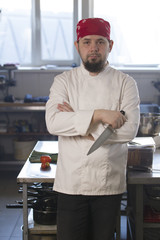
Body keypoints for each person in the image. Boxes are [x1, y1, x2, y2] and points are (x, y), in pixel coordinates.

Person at [45, 17, 140, 240]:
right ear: (77, 45)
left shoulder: (125, 83)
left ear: (110, 46)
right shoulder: (63, 81)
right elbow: (54, 123)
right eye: (86, 42)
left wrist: (81, 125)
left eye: (100, 42)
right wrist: (100, 115)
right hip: (71, 183)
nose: (93, 48)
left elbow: (130, 130)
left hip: (108, 185)